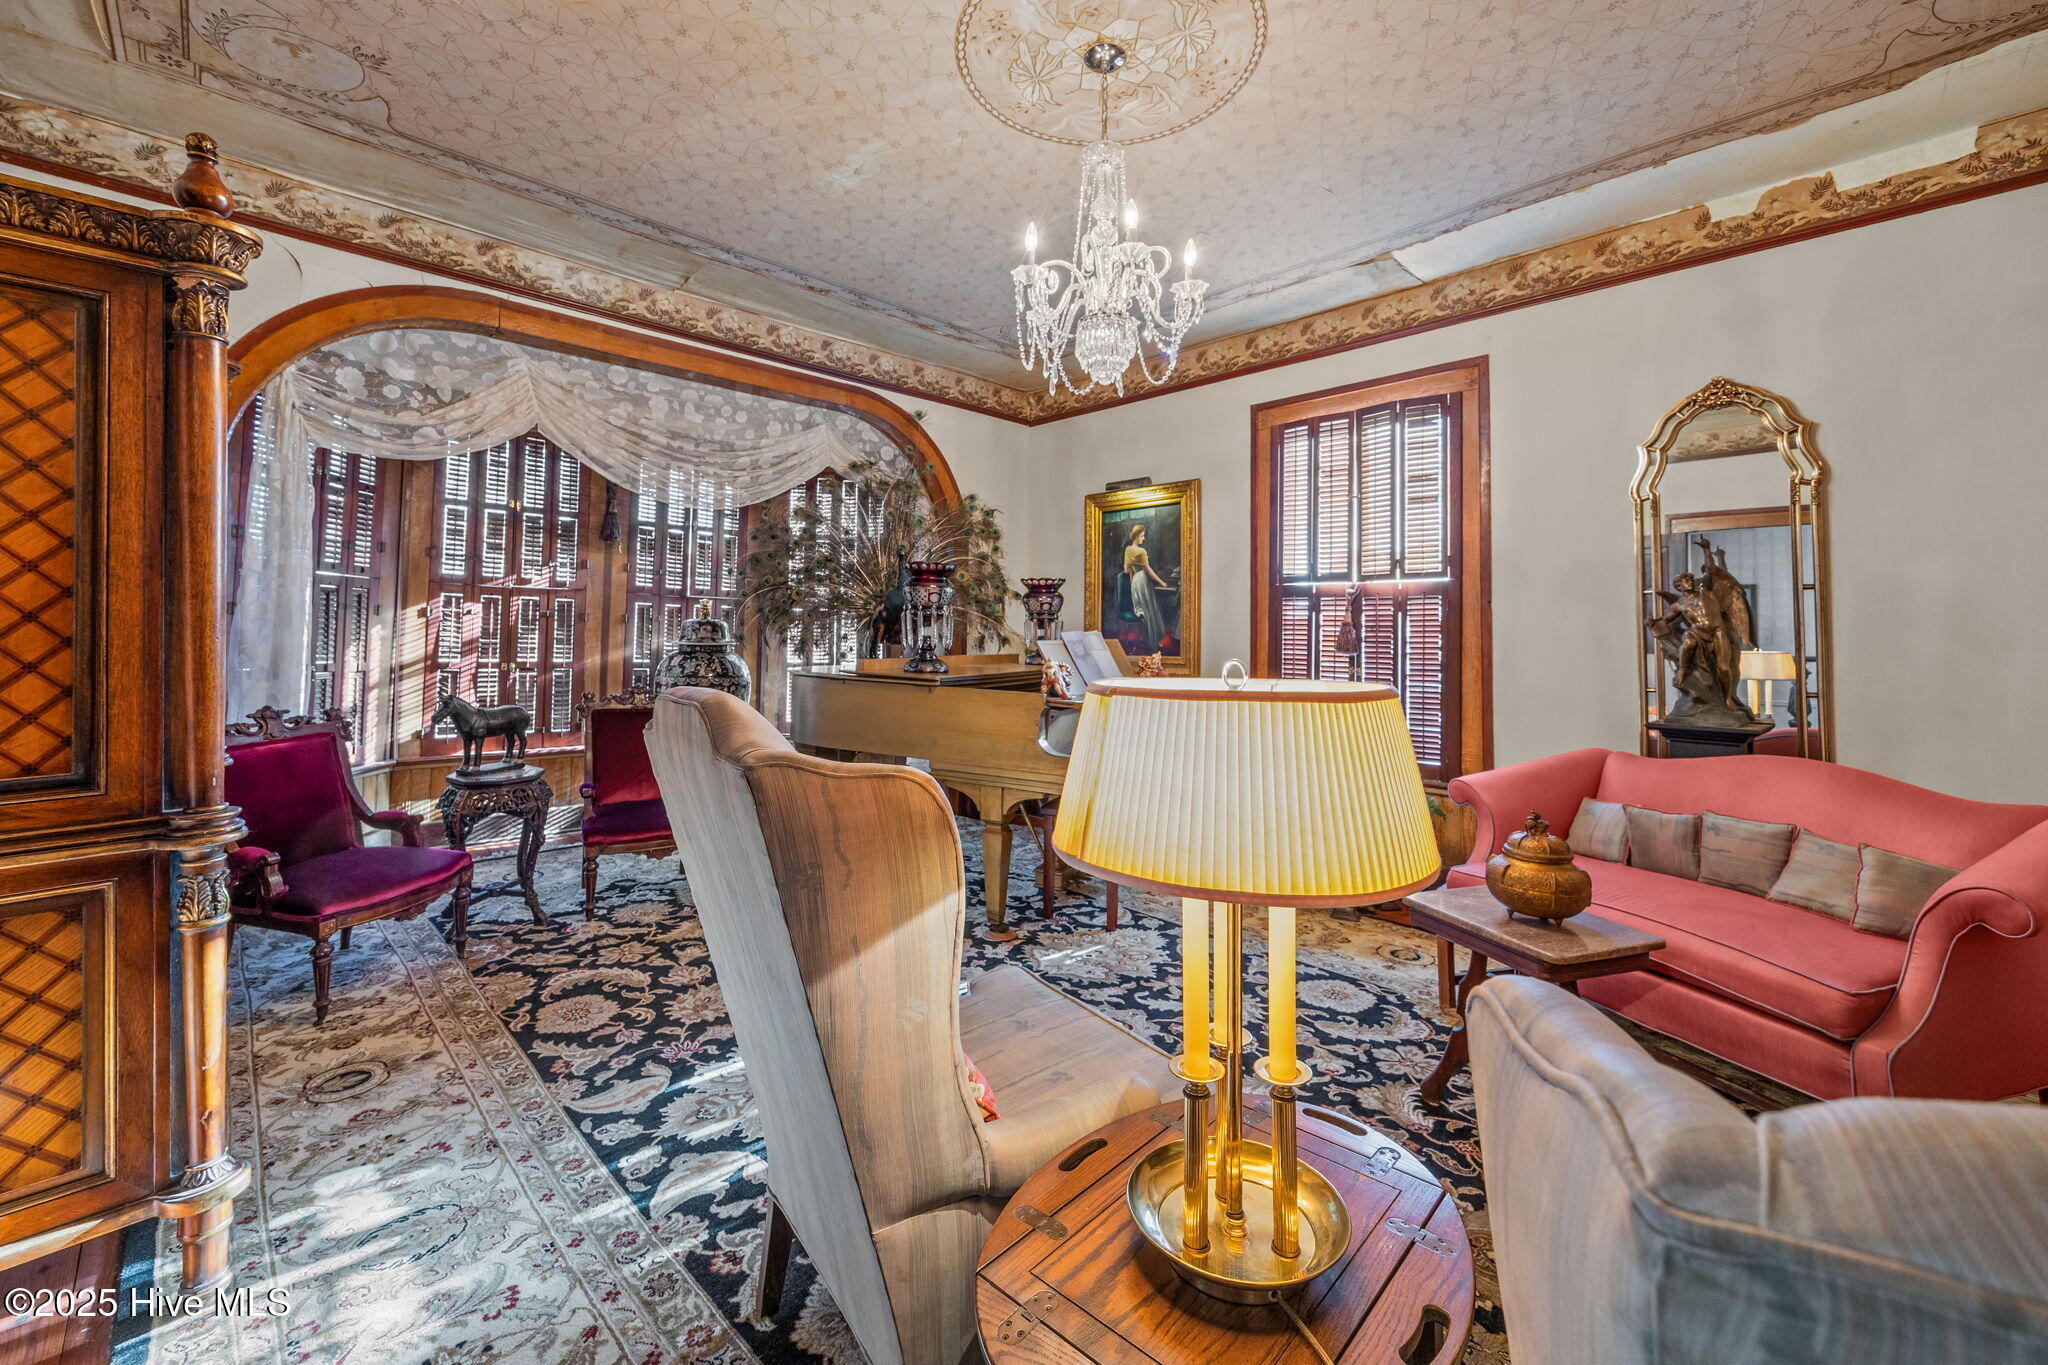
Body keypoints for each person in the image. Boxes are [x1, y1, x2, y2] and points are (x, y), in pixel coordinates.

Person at [1119, 522, 1174, 653]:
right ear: (1136, 536)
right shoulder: (1142, 551)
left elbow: (1126, 570)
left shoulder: (1128, 550)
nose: (1143, 538)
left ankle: (1148, 641)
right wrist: (1161, 581)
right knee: (1150, 610)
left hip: (1134, 583)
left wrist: (1133, 567)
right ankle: (1153, 642)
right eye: (1142, 536)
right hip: (1143, 580)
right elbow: (1148, 570)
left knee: (1145, 612)